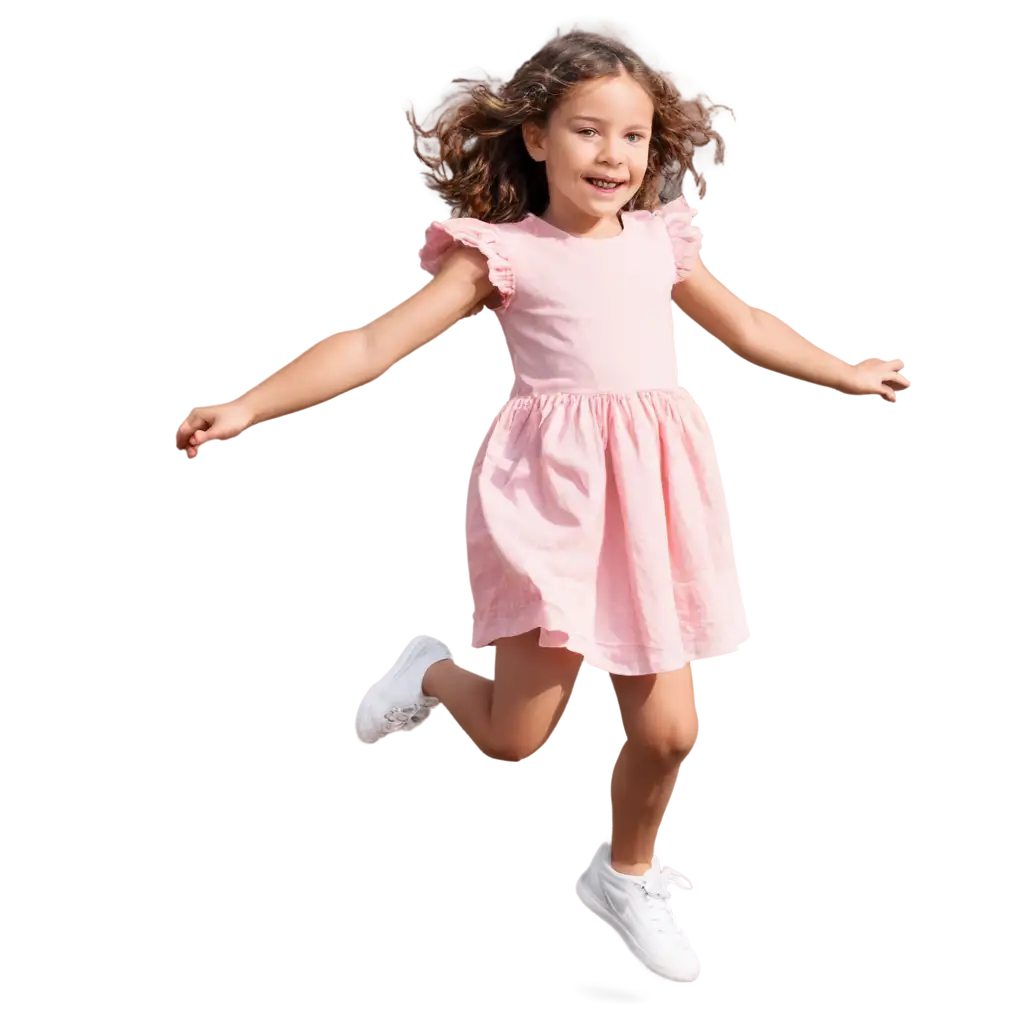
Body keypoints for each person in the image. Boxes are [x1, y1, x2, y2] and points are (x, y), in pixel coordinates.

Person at [168, 30, 910, 986]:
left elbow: (752, 328)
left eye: (633, 137)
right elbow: (370, 344)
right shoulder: (501, 255)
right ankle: (432, 670)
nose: (613, 155)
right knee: (518, 739)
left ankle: (624, 873)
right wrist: (252, 403)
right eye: (588, 132)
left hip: (652, 499)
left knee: (671, 726)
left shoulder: (661, 241)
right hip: (552, 504)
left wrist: (844, 372)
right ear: (534, 138)